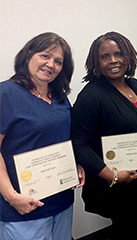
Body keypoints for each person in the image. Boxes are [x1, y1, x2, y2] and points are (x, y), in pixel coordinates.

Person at [71, 31, 137, 239]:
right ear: (96, 62)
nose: (113, 61)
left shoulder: (135, 85)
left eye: (118, 54)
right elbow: (80, 144)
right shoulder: (91, 95)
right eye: (105, 56)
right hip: (119, 186)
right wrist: (111, 175)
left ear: (128, 56)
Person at [0, 32, 85, 240]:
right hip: (23, 207)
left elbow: (62, 139)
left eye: (58, 61)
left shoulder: (60, 99)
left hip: (61, 201)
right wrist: (12, 197)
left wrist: (76, 164)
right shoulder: (6, 94)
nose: (51, 64)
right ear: (29, 55)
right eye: (45, 56)